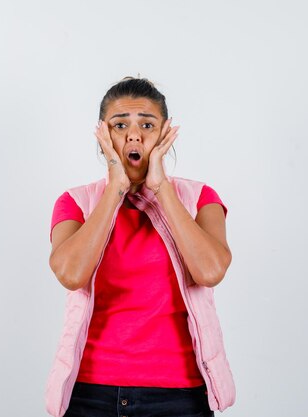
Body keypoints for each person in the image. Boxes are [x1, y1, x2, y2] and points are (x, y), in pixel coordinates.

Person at [45, 77, 236, 417]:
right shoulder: (76, 202)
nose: (134, 135)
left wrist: (161, 188)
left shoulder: (199, 198)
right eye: (120, 125)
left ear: (165, 134)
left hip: (180, 397)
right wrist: (116, 188)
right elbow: (71, 274)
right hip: (90, 394)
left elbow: (209, 271)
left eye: (147, 124)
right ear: (104, 136)